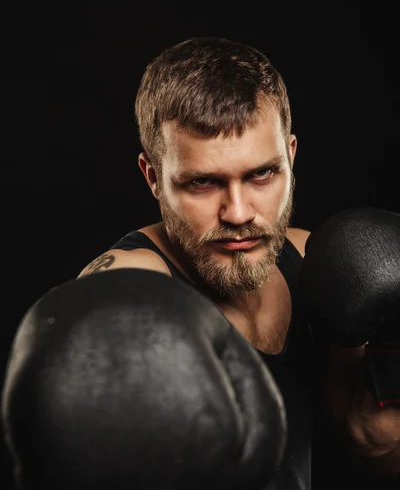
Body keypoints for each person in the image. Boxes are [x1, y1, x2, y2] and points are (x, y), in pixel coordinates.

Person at [2, 37, 400, 489]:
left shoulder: (317, 266)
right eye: (203, 182)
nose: (238, 213)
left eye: (262, 174)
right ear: (154, 177)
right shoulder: (135, 284)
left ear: (290, 157)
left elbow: (372, 445)